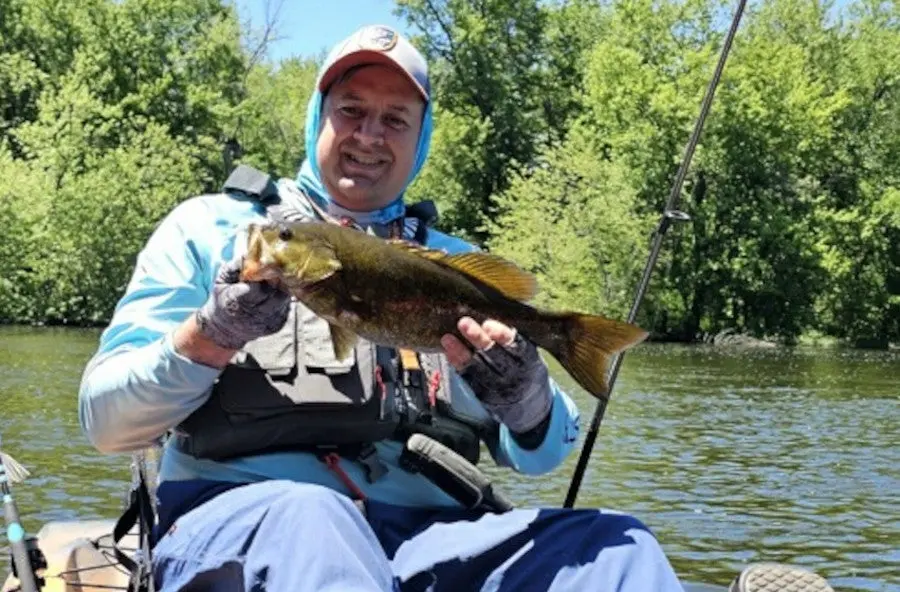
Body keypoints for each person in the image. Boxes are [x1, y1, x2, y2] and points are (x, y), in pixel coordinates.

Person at [78, 24, 688, 592]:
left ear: (420, 138)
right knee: (315, 521)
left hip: (429, 538)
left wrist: (526, 401)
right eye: (351, 110)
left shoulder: (452, 265)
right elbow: (106, 424)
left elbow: (545, 452)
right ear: (318, 115)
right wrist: (210, 335)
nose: (369, 135)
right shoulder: (210, 230)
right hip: (244, 522)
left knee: (617, 547)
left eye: (395, 119)